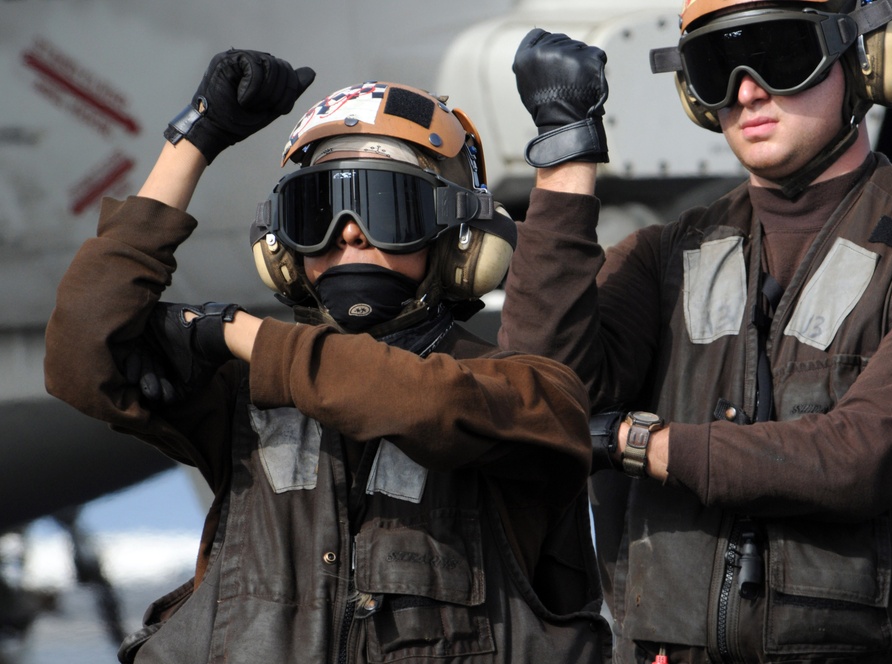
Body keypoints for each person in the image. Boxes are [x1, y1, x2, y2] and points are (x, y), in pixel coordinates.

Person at [44, 49, 612, 663]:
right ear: (280, 247)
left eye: (386, 207)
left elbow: (427, 402)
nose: (347, 231)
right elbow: (83, 351)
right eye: (316, 210)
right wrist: (196, 138)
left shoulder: (530, 392)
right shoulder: (241, 396)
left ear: (460, 239)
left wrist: (238, 332)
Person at [498, 0, 892, 662]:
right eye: (714, 65)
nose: (746, 90)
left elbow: (856, 459)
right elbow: (540, 397)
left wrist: (635, 442)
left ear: (865, 63)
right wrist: (564, 161)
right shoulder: (662, 259)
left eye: (780, 55)